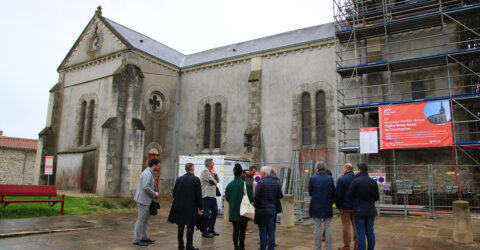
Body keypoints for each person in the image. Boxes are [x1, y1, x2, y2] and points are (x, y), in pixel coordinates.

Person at [168, 163, 204, 250]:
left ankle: (180, 245)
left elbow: (174, 193)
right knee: (190, 227)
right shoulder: (196, 180)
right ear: (192, 169)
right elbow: (198, 195)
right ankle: (189, 246)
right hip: (191, 207)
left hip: (179, 206)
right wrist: (200, 207)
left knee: (180, 226)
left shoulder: (179, 179)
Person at [347, 163, 379, 250]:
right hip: (371, 209)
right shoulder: (373, 182)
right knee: (370, 232)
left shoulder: (356, 181)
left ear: (359, 170)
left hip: (359, 209)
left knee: (361, 233)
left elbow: (349, 195)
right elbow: (377, 197)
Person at [254, 166, 283, 250]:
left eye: (260, 173)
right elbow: (280, 196)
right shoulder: (276, 183)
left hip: (262, 210)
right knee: (271, 231)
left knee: (263, 231)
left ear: (264, 173)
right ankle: (271, 248)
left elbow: (256, 197)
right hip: (272, 210)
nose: (259, 174)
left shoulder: (260, 183)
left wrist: (256, 206)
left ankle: (262, 248)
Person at [225, 164, 253, 250]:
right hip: (244, 211)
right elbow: (251, 198)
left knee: (235, 230)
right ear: (241, 173)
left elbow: (227, 198)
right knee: (242, 231)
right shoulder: (246, 184)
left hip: (234, 211)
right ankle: (242, 246)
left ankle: (235, 246)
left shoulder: (230, 185)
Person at [133, 158, 160, 246]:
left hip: (146, 200)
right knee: (140, 220)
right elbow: (146, 187)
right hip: (143, 200)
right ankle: (136, 240)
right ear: (154, 165)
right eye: (158, 166)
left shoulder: (149, 172)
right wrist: (154, 194)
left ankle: (144, 237)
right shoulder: (147, 173)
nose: (159, 168)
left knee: (145, 220)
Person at [309, 161, 335, 250]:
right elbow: (333, 192)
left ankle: (317, 248)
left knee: (317, 227)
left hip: (316, 205)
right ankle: (329, 248)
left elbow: (310, 192)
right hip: (327, 205)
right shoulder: (330, 178)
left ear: (317, 169)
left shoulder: (313, 179)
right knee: (328, 227)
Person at [335, 163, 358, 250]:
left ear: (345, 169)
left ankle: (346, 245)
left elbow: (338, 194)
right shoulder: (357, 178)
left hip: (345, 206)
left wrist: (338, 205)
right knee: (356, 226)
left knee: (346, 226)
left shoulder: (341, 179)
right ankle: (357, 246)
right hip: (356, 206)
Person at [200, 158, 220, 238]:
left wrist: (215, 174)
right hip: (206, 195)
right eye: (212, 162)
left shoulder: (211, 171)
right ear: (209, 164)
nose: (213, 163)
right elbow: (213, 181)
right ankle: (204, 231)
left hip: (212, 195)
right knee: (206, 214)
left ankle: (211, 228)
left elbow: (217, 180)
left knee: (215, 211)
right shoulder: (205, 171)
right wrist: (214, 179)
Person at [241, 165, 257, 235]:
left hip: (249, 197)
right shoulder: (243, 176)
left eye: (255, 172)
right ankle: (243, 229)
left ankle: (245, 227)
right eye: (253, 172)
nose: (254, 174)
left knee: (247, 214)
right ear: (250, 170)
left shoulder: (252, 177)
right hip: (244, 197)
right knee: (244, 214)